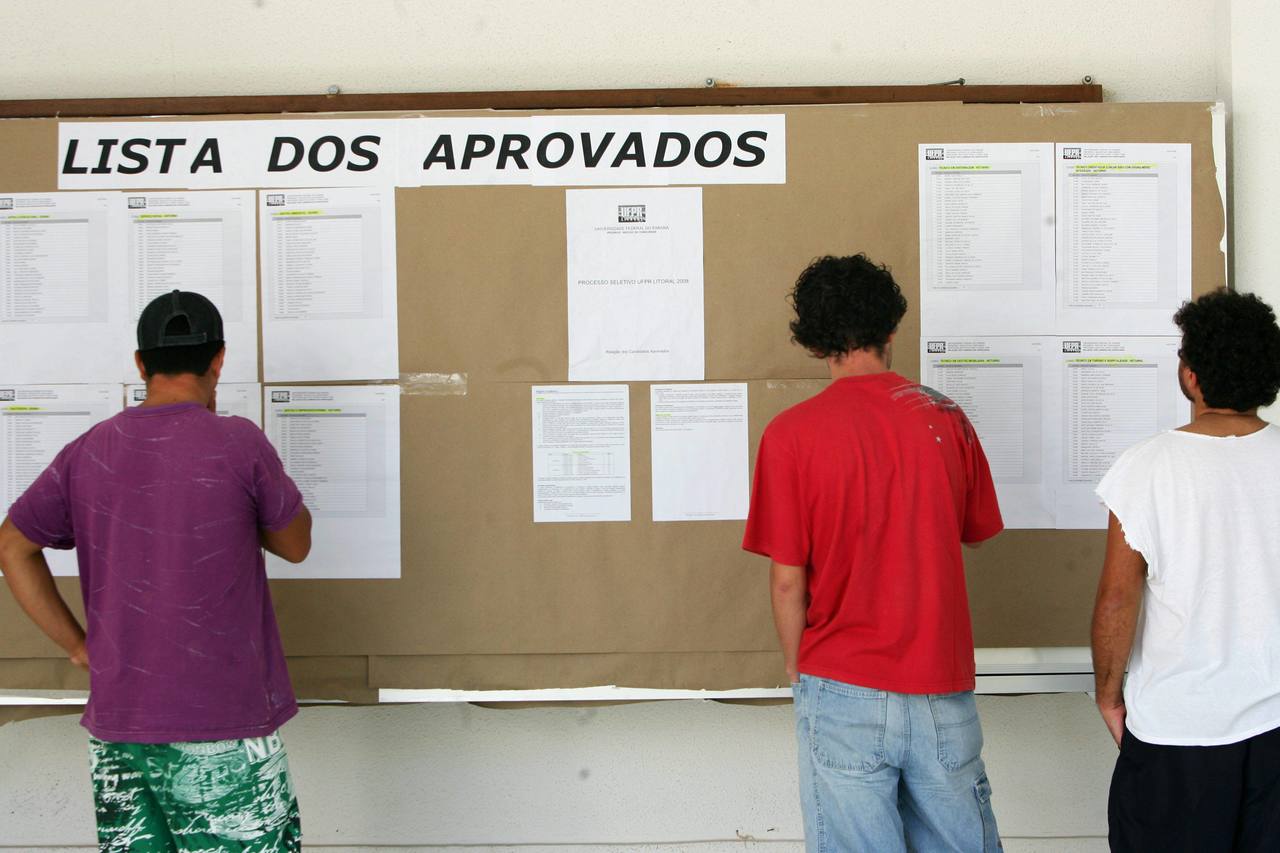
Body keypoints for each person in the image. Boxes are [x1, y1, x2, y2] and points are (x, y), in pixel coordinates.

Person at [0, 290, 313, 852]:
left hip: (121, 729)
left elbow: (12, 546)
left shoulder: (88, 449)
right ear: (219, 359)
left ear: (140, 364)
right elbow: (295, 545)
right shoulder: (239, 442)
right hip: (224, 726)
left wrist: (77, 646)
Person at [743, 254, 1005, 852]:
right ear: (892, 329)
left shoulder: (790, 434)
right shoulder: (946, 418)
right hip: (941, 683)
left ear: (814, 343)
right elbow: (974, 531)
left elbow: (788, 583)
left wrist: (798, 670)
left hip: (840, 681)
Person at [1091, 288, 1280, 851]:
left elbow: (1116, 601)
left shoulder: (1145, 467)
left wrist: (1108, 695)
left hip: (1177, 733)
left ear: (1190, 374)